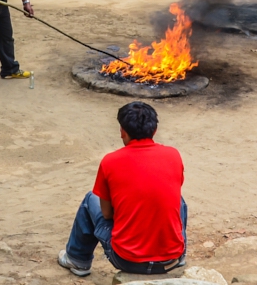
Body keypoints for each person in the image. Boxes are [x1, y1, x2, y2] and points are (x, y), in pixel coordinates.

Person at [59, 101, 186, 277]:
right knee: (179, 200)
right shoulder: (173, 154)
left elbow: (107, 214)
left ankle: (78, 260)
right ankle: (181, 256)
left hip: (127, 259)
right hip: (170, 259)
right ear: (154, 131)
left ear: (122, 131)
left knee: (91, 199)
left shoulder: (110, 161)